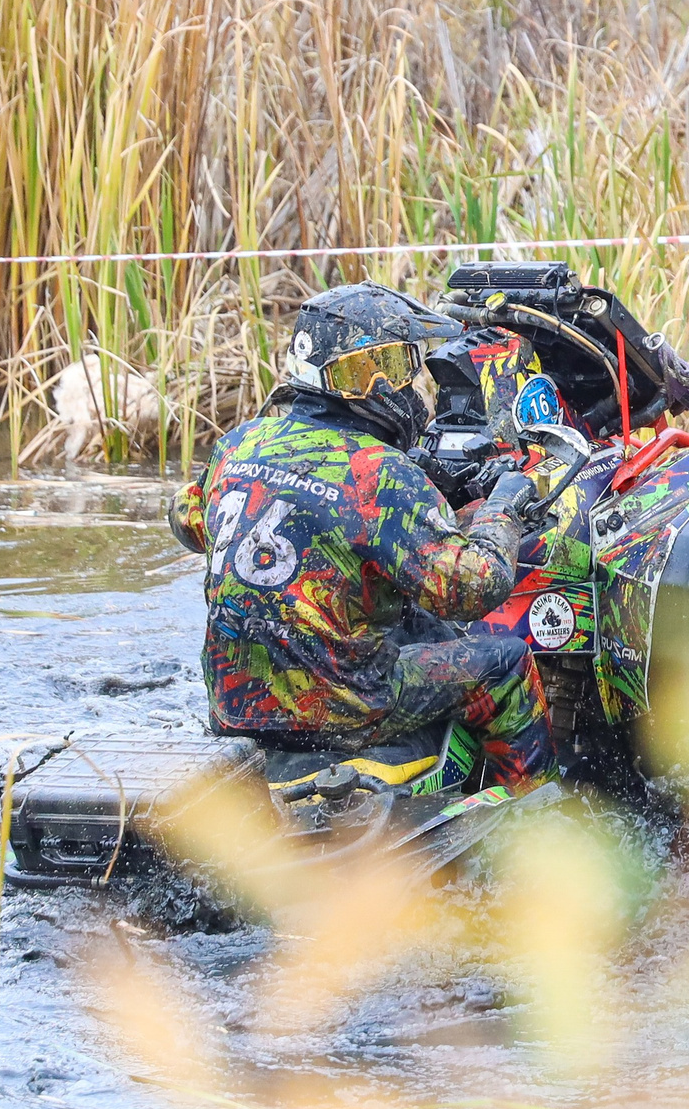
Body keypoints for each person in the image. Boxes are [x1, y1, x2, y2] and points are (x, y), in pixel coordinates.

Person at [168, 281, 557, 792]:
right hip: (340, 704)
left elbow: (187, 518)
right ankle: (534, 817)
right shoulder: (378, 472)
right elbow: (472, 588)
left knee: (398, 616)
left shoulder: (239, 443)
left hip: (233, 698)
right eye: (375, 369)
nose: (391, 386)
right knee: (506, 663)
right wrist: (503, 509)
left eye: (397, 367)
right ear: (341, 381)